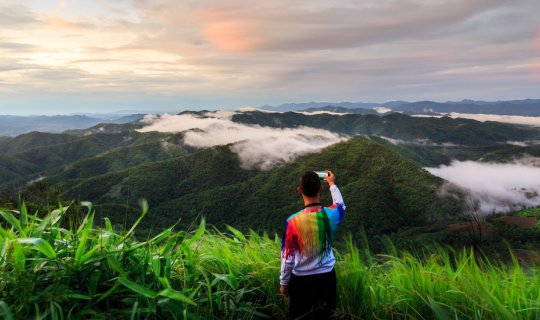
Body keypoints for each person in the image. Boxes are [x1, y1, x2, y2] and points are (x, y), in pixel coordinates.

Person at [279, 170, 346, 319]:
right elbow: (340, 205)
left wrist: (283, 283)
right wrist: (332, 184)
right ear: (320, 189)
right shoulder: (332, 215)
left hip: (301, 281)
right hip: (327, 278)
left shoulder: (292, 222)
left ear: (299, 190)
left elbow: (287, 258)